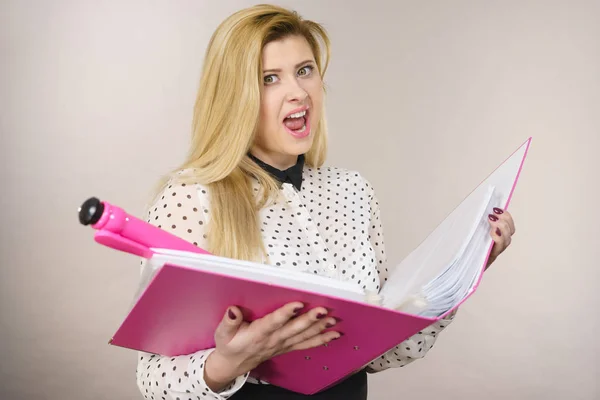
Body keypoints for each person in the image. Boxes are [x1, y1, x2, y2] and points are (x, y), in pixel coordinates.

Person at [134, 4, 516, 400]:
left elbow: (379, 350)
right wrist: (227, 364)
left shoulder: (353, 191)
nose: (298, 91)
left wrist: (464, 270)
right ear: (235, 96)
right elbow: (153, 378)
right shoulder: (191, 197)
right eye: (269, 78)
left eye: (304, 70)